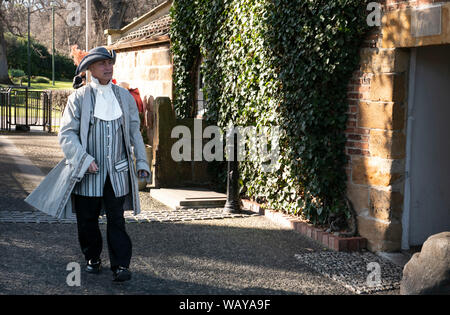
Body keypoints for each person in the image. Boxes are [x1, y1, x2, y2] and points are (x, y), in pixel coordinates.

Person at [25, 46, 151, 282]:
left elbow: (135, 133)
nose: (108, 67)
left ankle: (121, 266)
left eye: (110, 63)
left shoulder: (124, 97)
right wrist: (84, 159)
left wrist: (141, 162)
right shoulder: (79, 98)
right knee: (87, 221)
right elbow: (67, 134)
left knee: (117, 220)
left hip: (117, 172)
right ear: (90, 68)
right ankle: (92, 257)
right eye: (102, 63)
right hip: (87, 173)